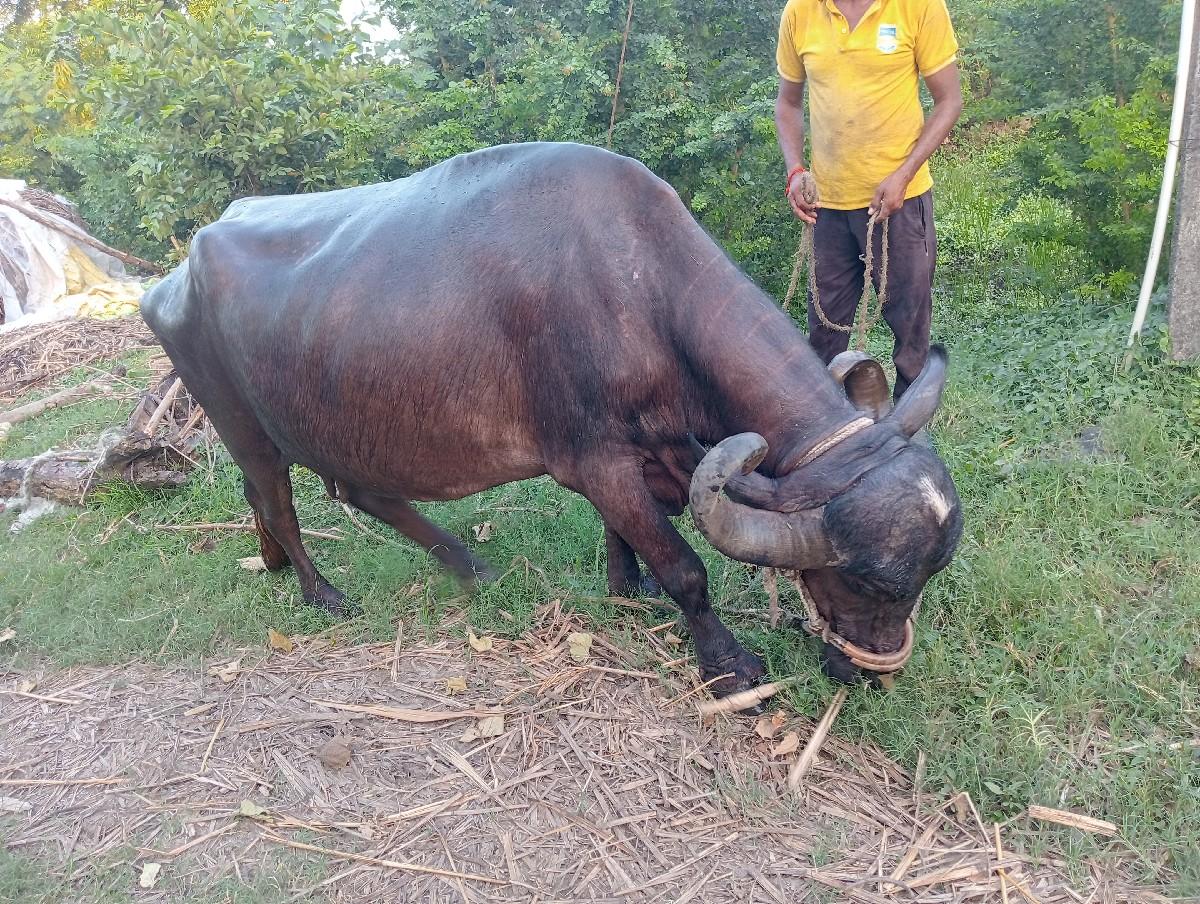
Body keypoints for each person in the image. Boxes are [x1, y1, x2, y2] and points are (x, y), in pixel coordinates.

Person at [774, 0, 962, 398]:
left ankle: (911, 437)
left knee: (910, 329)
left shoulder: (919, 7)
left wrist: (903, 175)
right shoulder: (800, 11)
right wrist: (795, 171)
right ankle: (829, 438)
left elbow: (949, 102)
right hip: (826, 208)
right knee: (824, 334)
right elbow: (788, 103)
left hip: (899, 203)